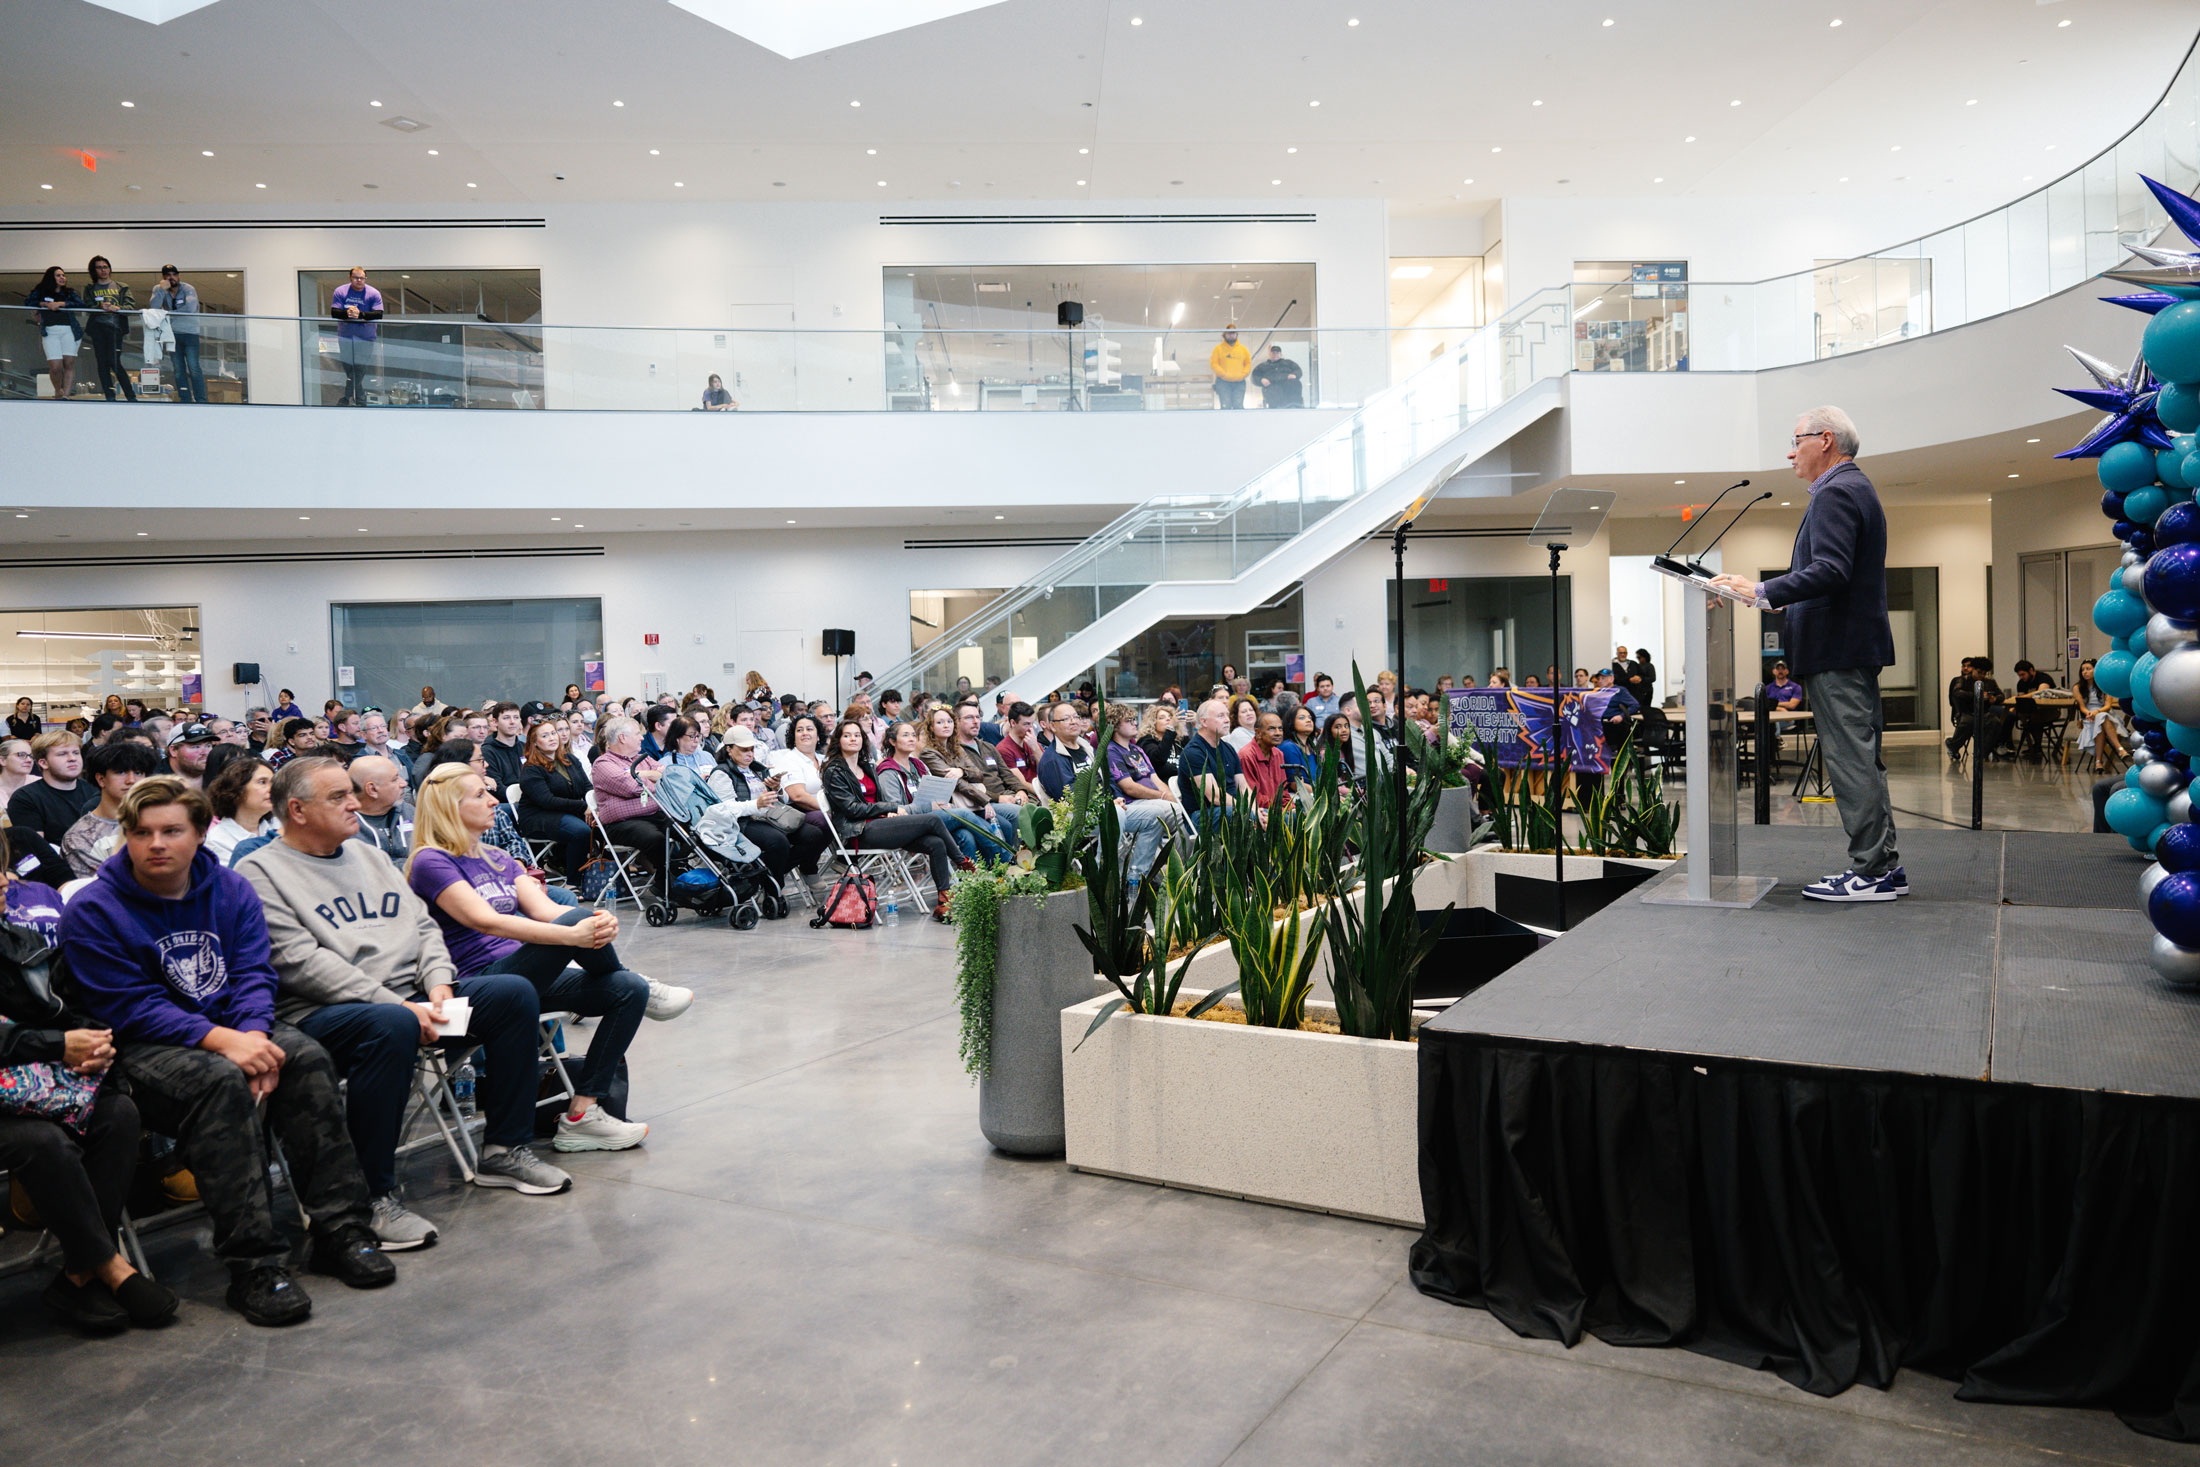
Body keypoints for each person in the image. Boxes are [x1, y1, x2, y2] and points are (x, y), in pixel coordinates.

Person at [60, 776, 395, 1325]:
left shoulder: (231, 890)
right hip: (139, 1048)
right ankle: (254, 1266)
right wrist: (227, 1044)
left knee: (304, 1057)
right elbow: (128, 1006)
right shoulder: (95, 909)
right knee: (220, 1081)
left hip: (235, 1027)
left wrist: (256, 1039)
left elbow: (253, 973)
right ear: (127, 837)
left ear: (199, 833)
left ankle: (340, 1231)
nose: (156, 844)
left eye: (172, 831)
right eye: (141, 833)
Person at [242, 760, 571, 1248]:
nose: (355, 803)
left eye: (352, 793)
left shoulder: (369, 857)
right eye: (338, 797)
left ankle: (504, 1148)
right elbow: (301, 963)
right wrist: (399, 1004)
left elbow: (424, 927)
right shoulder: (260, 871)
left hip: (412, 999)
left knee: (510, 993)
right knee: (390, 1023)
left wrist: (439, 985)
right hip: (327, 1012)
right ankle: (371, 1196)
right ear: (298, 810)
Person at [410, 763, 686, 1153]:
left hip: (526, 976)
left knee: (627, 989)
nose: (493, 801)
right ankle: (634, 975)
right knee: (579, 922)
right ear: (449, 808)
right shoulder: (431, 861)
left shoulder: (497, 858)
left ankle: (582, 1114)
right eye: (479, 795)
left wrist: (596, 922)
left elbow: (547, 911)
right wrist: (574, 932)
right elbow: (487, 922)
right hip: (478, 985)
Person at [1712, 406, 1902, 903]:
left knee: (1850, 760)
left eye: (1797, 440)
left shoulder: (1837, 491)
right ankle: (1882, 867)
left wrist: (1759, 590)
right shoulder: (1851, 487)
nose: (1790, 451)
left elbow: (1832, 571)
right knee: (1862, 759)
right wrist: (1761, 593)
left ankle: (1873, 871)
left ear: (1826, 440)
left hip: (1837, 650)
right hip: (1848, 646)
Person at [0, 864, 176, 1330]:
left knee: (117, 1112)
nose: (5, 882)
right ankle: (113, 1267)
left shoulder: (15, 938)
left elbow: (66, 1005)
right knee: (42, 1142)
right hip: (17, 1094)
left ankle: (77, 1276)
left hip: (26, 1084)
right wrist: (57, 1046)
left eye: (0, 869)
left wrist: (90, 1046)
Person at [820, 719, 957, 922]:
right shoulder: (834, 771)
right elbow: (852, 809)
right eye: (847, 735)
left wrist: (889, 813)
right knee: (932, 820)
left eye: (857, 735)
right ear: (838, 740)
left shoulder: (866, 766)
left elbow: (877, 800)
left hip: (881, 825)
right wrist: (890, 807)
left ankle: (944, 903)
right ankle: (964, 863)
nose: (853, 739)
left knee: (936, 843)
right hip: (858, 832)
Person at [717, 725, 829, 899]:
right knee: (778, 842)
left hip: (769, 817)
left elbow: (781, 800)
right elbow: (725, 808)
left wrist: (777, 790)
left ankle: (767, 873)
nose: (749, 754)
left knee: (813, 834)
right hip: (742, 822)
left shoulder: (758, 769)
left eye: (751, 749)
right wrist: (756, 804)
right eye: (743, 749)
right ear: (729, 749)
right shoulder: (722, 773)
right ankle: (774, 890)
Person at [591, 717, 673, 897]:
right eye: (637, 733)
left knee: (686, 829)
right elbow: (633, 787)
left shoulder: (641, 758)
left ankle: (677, 876)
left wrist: (642, 774)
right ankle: (665, 882)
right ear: (622, 738)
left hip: (654, 814)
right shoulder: (603, 764)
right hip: (622, 824)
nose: (642, 738)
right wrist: (652, 778)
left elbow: (669, 777)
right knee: (655, 838)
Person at [1100, 707, 1179, 886]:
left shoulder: (1136, 749)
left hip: (1153, 801)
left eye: (1135, 719)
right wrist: (1163, 796)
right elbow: (1130, 788)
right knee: (1167, 811)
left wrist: (1170, 796)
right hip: (1132, 803)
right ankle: (1140, 878)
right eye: (1129, 720)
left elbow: (1155, 779)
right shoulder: (1112, 751)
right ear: (1115, 726)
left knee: (1180, 811)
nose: (1135, 723)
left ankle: (1178, 869)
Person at [63, 739, 160, 880]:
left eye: (138, 773)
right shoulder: (80, 836)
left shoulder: (159, 820)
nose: (131, 780)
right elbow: (102, 888)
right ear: (101, 779)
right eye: (121, 772)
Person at [9, 731, 98, 877]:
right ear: (43, 762)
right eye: (62, 754)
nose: (72, 759)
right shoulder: (25, 798)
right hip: (60, 876)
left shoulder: (95, 790)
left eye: (76, 752)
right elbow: (37, 852)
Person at [517, 718, 592, 878]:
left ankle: (605, 876)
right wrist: (582, 807)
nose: (552, 738)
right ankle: (574, 881)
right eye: (545, 736)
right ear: (535, 743)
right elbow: (547, 801)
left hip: (568, 812)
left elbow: (587, 787)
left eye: (553, 733)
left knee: (605, 824)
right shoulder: (531, 769)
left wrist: (592, 807)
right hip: (538, 817)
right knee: (580, 831)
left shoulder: (569, 759)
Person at [1178, 698, 1248, 821]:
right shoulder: (1193, 752)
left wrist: (1255, 809)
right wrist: (1247, 810)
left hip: (1235, 808)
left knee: (1282, 817)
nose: (1227, 720)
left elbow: (1243, 787)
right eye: (1220, 716)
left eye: (1227, 715)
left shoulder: (1229, 748)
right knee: (1236, 814)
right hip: (1203, 815)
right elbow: (1214, 797)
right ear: (1204, 722)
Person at [147, 264, 208, 404]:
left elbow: (190, 309)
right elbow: (154, 307)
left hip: (190, 333)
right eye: (168, 275)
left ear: (178, 276)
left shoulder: (188, 289)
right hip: (171, 334)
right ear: (163, 277)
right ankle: (185, 398)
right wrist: (162, 290)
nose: (171, 277)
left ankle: (201, 400)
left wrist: (167, 314)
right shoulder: (159, 289)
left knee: (194, 367)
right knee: (178, 369)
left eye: (174, 274)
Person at [80, 256, 137, 403]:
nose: (103, 270)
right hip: (97, 327)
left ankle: (130, 396)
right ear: (94, 270)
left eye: (105, 266)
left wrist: (117, 308)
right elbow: (87, 306)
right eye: (99, 267)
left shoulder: (121, 287)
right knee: (102, 362)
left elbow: (130, 306)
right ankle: (110, 396)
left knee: (114, 361)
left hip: (115, 328)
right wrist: (100, 307)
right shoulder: (90, 288)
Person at [204, 754, 277, 865]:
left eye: (273, 783)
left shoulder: (279, 825)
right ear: (237, 789)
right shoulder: (217, 840)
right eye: (262, 782)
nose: (271, 789)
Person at [25, 265, 84, 401]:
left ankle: (66, 395)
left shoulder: (69, 292)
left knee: (69, 363)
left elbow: (80, 304)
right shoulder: (41, 291)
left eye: (63, 275)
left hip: (69, 330)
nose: (62, 278)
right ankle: (58, 390)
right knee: (55, 366)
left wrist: (61, 304)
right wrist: (45, 304)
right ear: (51, 277)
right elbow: (28, 302)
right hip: (50, 331)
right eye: (58, 275)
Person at [329, 266, 384, 407]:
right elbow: (334, 312)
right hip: (346, 337)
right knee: (348, 368)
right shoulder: (341, 291)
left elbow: (378, 314)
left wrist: (361, 314)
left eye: (362, 278)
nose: (359, 280)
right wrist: (348, 313)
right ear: (350, 278)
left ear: (365, 279)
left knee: (359, 369)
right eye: (356, 278)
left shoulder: (373, 293)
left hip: (366, 338)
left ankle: (349, 397)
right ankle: (359, 398)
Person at [346, 755, 415, 864]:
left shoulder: (409, 811)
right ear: (372, 790)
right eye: (395, 779)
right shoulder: (344, 827)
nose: (404, 784)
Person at [2075, 658, 2130, 772]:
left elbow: (2108, 706)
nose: (2085, 672)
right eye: (2083, 670)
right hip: (2089, 716)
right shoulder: (2078, 687)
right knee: (2099, 723)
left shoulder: (2105, 684)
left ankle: (2098, 762)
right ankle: (2120, 749)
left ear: (2097, 670)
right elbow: (2082, 707)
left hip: (2106, 714)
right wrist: (2089, 713)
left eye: (2088, 669)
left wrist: (2097, 712)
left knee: (2101, 718)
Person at [1035, 700, 1094, 799]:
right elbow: (1069, 797)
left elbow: (1108, 777)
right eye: (1066, 719)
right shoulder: (1052, 760)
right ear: (1053, 726)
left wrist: (1115, 798)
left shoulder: (1087, 747)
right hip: (1082, 811)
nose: (1073, 722)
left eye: (1076, 717)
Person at [481, 702, 526, 793]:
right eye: (506, 718)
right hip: (505, 803)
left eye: (516, 717)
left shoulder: (525, 748)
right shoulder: (487, 752)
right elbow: (496, 788)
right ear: (495, 721)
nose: (512, 722)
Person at [1137, 703, 1183, 783]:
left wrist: (1196, 725)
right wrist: (1170, 728)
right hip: (1161, 790)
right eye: (1162, 718)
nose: (1168, 719)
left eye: (1170, 717)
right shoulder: (1146, 741)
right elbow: (1158, 759)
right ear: (1153, 722)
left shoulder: (1177, 742)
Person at [1209, 324, 1251, 409]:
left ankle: (1239, 422)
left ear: (1236, 335)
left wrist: (1243, 374)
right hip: (1223, 382)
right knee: (1225, 406)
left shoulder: (1243, 349)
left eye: (1233, 333)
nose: (1231, 335)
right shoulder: (1218, 349)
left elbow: (1248, 363)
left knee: (1238, 406)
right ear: (1224, 335)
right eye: (1229, 333)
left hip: (1239, 382)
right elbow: (1214, 363)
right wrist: (1223, 374)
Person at [1250, 344, 1304, 408]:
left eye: (1277, 353)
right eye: (1273, 353)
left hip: (1290, 397)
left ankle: (1295, 406)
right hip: (1273, 392)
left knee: (1295, 383)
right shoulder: (1262, 366)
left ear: (1280, 354)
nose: (1275, 354)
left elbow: (1298, 370)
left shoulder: (1289, 363)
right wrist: (1261, 380)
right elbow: (1254, 376)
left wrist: (1294, 375)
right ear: (1269, 354)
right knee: (1273, 392)